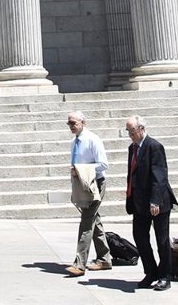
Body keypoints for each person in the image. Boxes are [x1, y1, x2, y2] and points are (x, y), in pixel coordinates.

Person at [124, 115, 177, 291]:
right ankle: (151, 272)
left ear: (141, 129)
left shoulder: (154, 146)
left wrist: (155, 201)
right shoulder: (133, 148)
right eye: (128, 131)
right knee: (139, 236)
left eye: (132, 130)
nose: (130, 134)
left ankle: (165, 276)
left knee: (162, 240)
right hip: (139, 202)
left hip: (158, 201)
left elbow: (160, 176)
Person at [65, 111, 112, 276]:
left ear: (83, 122)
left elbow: (103, 165)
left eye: (73, 123)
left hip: (95, 184)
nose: (71, 126)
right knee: (94, 220)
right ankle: (104, 259)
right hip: (81, 185)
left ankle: (80, 264)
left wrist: (82, 170)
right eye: (68, 123)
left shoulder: (93, 139)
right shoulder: (74, 142)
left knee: (86, 221)